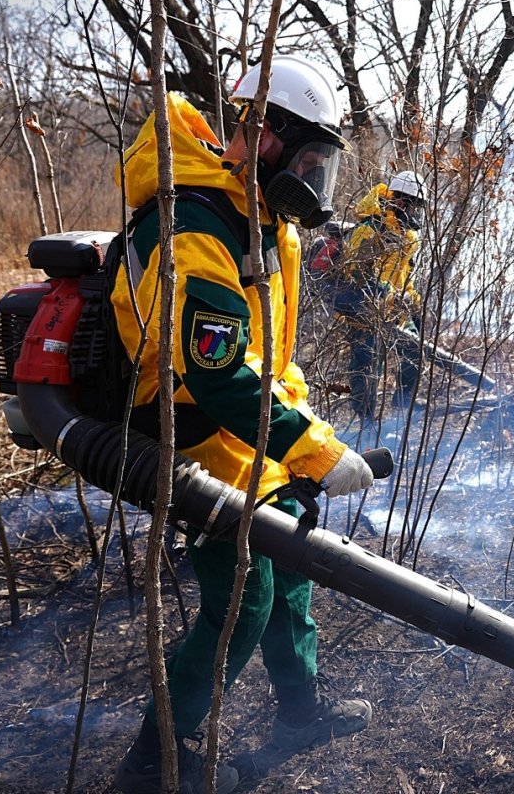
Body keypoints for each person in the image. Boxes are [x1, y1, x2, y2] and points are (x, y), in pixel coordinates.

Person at [109, 54, 376, 794]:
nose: (315, 180)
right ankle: (158, 756)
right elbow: (217, 372)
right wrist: (308, 448)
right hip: (184, 424)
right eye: (311, 159)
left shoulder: (260, 219)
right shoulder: (196, 223)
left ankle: (302, 710)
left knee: (293, 547)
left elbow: (263, 362)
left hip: (232, 422)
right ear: (264, 135)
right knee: (245, 592)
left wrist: (302, 446)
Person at [333, 171, 428, 420]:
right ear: (398, 202)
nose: (416, 214)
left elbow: (406, 279)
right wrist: (388, 297)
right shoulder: (370, 230)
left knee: (414, 352)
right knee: (367, 366)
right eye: (414, 207)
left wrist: (414, 303)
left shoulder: (407, 238)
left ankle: (402, 407)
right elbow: (357, 273)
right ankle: (365, 423)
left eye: (419, 208)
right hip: (364, 309)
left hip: (395, 310)